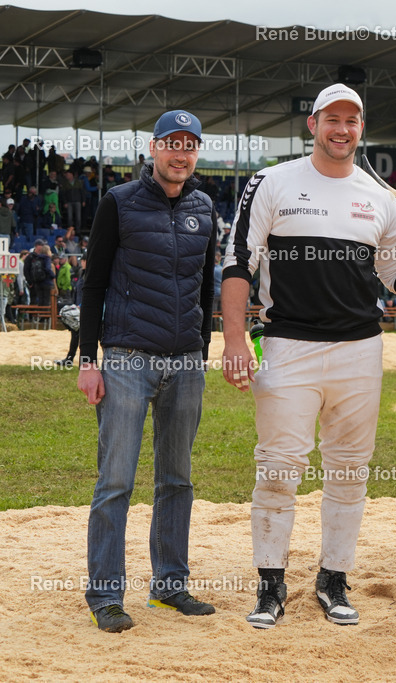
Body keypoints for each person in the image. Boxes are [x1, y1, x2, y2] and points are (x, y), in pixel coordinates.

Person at [219, 83, 396, 629]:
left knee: (350, 473)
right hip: (288, 345)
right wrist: (234, 339)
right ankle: (270, 585)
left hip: (360, 349)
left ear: (361, 130)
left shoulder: (377, 196)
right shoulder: (273, 181)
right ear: (313, 125)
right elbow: (239, 263)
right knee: (279, 470)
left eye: (352, 121)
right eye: (332, 119)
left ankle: (333, 581)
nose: (342, 129)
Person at [76, 109, 218, 633]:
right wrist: (89, 360)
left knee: (177, 478)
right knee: (115, 480)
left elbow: (205, 284)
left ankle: (170, 585)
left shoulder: (204, 205)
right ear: (153, 149)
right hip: (127, 358)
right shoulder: (118, 202)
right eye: (172, 144)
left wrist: (200, 347)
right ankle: (106, 596)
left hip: (184, 361)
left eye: (190, 146)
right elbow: (92, 287)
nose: (181, 154)